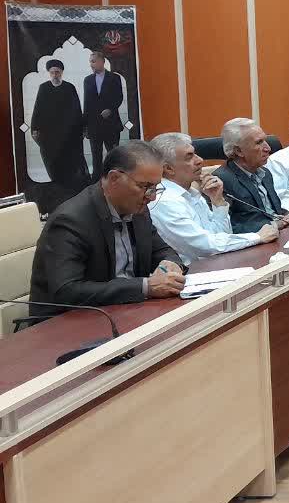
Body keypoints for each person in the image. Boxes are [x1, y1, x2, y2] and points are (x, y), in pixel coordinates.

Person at [28, 141, 186, 317]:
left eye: (156, 187)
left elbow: (163, 250)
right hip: (67, 322)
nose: (152, 196)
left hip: (126, 311)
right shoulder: (70, 220)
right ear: (114, 178)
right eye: (145, 187)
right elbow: (67, 291)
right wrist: (145, 287)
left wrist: (170, 263)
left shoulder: (138, 209)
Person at [147, 132, 276, 266]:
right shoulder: (164, 202)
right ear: (168, 168)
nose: (199, 160)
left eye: (195, 154)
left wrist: (218, 202)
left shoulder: (192, 193)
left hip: (216, 264)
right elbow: (204, 246)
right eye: (189, 157)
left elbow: (221, 236)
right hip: (191, 272)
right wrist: (257, 237)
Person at [215, 117, 289, 234]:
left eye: (265, 140)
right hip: (256, 241)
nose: (268, 148)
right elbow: (227, 228)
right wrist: (273, 225)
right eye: (258, 143)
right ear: (239, 151)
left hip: (281, 233)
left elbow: (271, 211)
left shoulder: (265, 173)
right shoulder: (222, 180)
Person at [30, 59, 88, 206]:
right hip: (50, 135)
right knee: (53, 164)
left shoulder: (69, 87)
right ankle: (58, 193)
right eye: (52, 72)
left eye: (57, 72)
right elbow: (38, 109)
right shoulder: (44, 88)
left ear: (61, 73)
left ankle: (71, 195)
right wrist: (35, 128)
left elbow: (77, 110)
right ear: (49, 73)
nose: (55, 75)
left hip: (68, 135)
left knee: (70, 165)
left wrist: (82, 128)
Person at [83, 50, 125, 180]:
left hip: (111, 124)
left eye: (93, 61)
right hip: (94, 125)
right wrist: (85, 126)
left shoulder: (114, 78)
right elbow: (86, 103)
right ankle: (96, 181)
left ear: (102, 61)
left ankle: (115, 180)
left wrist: (110, 109)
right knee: (96, 155)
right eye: (90, 62)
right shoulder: (88, 80)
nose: (91, 64)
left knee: (113, 155)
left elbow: (119, 97)